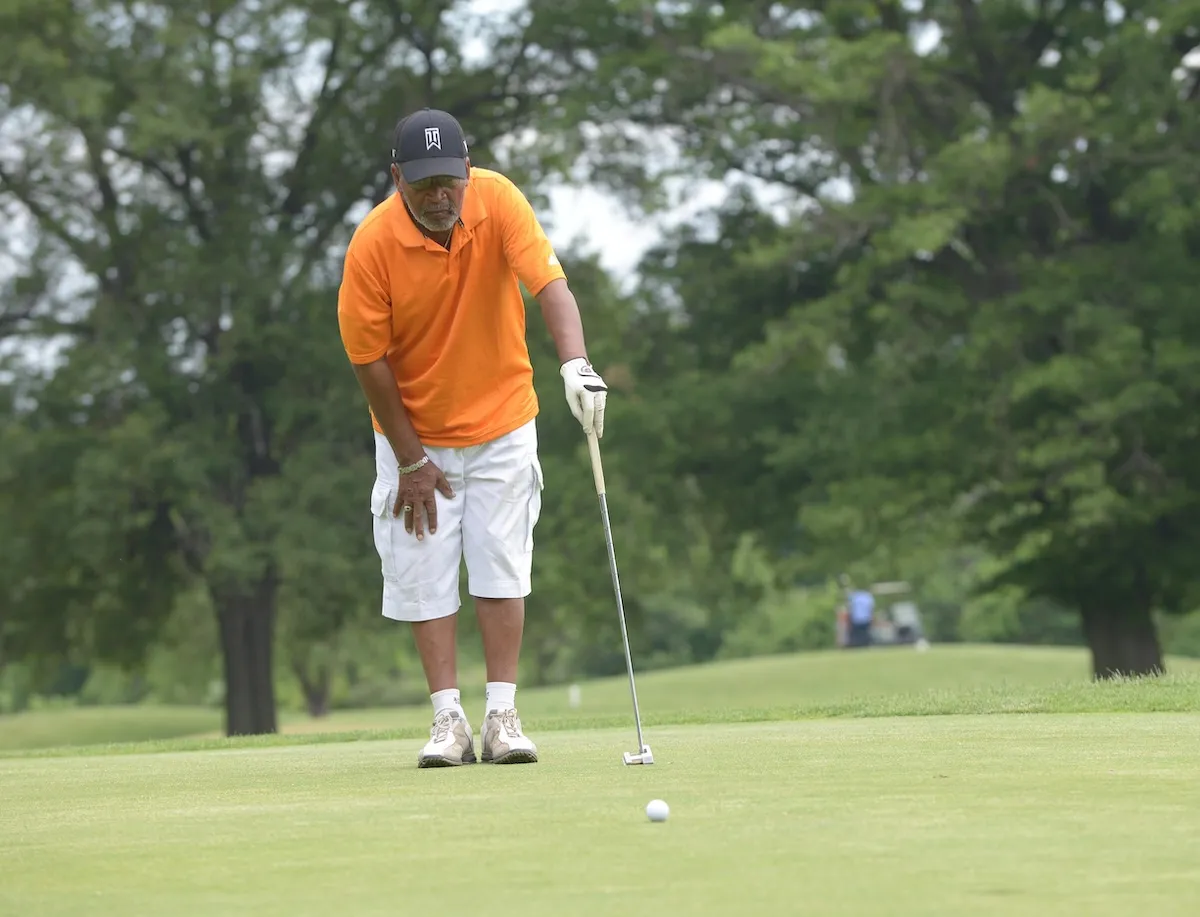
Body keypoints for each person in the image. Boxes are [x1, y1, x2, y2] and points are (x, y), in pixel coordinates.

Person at [336, 108, 608, 767]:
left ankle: (503, 716)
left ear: (467, 170)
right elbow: (368, 360)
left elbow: (549, 284)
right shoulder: (372, 245)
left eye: (448, 182)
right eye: (423, 184)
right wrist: (411, 459)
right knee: (425, 569)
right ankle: (447, 722)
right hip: (414, 432)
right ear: (397, 177)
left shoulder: (500, 200)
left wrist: (575, 362)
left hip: (503, 419)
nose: (438, 196)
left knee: (500, 561)